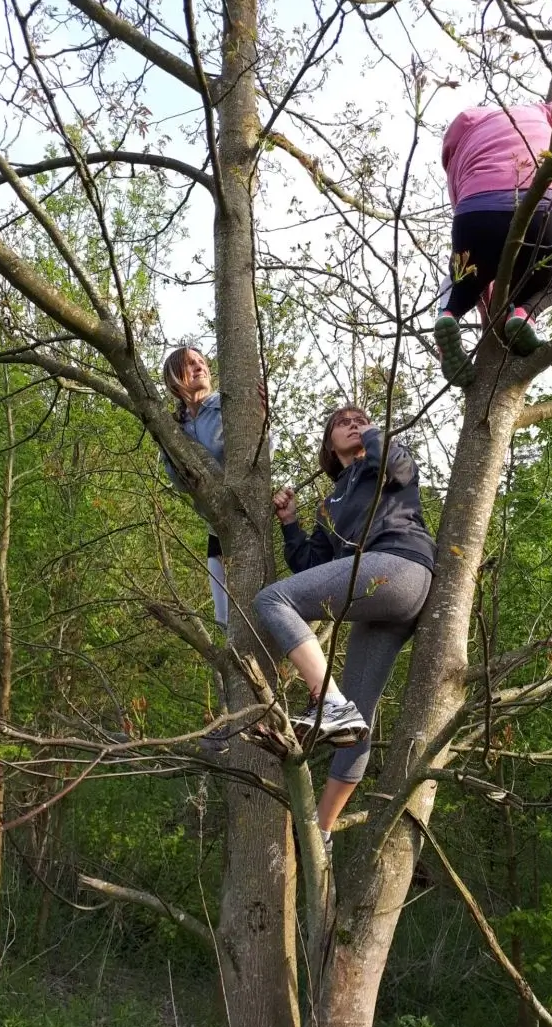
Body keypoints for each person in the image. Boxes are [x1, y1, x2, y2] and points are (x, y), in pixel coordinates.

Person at [252, 407, 436, 839]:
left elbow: (398, 465)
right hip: (377, 597)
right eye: (342, 422)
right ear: (329, 444)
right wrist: (290, 523)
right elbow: (310, 566)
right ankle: (321, 833)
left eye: (361, 419)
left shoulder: (386, 463)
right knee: (358, 720)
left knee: (271, 598)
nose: (355, 424)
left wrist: (375, 436)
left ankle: (327, 701)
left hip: (400, 566)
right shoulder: (331, 501)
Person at [434, 54, 552, 387]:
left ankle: (449, 315)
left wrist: (486, 312)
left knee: (460, 273)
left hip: (476, 216)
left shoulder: (461, 148)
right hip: (546, 213)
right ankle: (523, 314)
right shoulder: (544, 114)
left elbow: (461, 210)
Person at [161, 345, 270, 633]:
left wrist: (261, 417)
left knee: (259, 611)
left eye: (202, 362)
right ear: (174, 377)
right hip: (215, 528)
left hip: (246, 517)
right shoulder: (174, 426)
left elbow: (262, 452)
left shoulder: (226, 404)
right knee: (224, 621)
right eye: (190, 364)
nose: (200, 367)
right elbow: (179, 483)